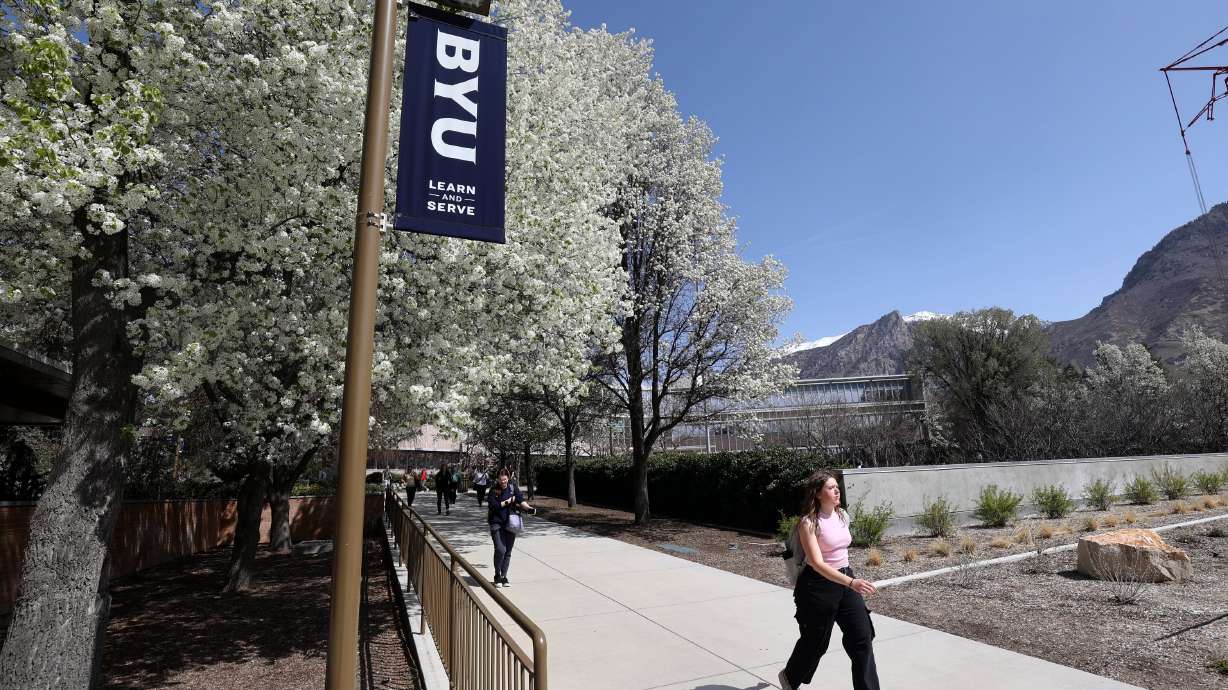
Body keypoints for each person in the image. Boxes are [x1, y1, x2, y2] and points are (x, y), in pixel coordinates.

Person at [778, 471, 880, 690]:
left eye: (837, 487)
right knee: (816, 642)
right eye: (831, 488)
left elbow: (840, 549)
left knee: (862, 637)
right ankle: (790, 677)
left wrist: (849, 581)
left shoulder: (842, 514)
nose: (837, 491)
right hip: (818, 585)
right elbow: (816, 562)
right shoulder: (808, 523)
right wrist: (851, 582)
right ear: (817, 493)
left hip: (845, 578)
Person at [486, 468, 533, 588]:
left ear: (508, 478)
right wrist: (508, 501)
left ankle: (504, 576)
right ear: (498, 479)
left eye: (505, 480)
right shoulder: (493, 490)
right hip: (496, 523)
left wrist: (529, 509)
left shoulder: (512, 488)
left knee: (508, 551)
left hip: (510, 523)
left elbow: (521, 500)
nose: (503, 482)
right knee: (500, 549)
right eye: (501, 480)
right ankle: (497, 575)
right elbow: (493, 506)